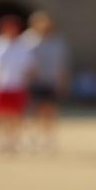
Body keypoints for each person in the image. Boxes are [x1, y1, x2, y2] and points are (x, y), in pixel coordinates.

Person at [0, 14, 34, 153]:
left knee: (16, 115)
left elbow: (30, 67)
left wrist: (27, 80)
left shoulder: (24, 46)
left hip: (17, 85)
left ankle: (13, 140)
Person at [22, 11, 69, 151]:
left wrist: (62, 80)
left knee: (50, 111)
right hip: (33, 82)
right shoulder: (27, 40)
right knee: (32, 111)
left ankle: (48, 137)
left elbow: (61, 63)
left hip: (50, 81)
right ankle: (32, 136)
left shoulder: (57, 41)